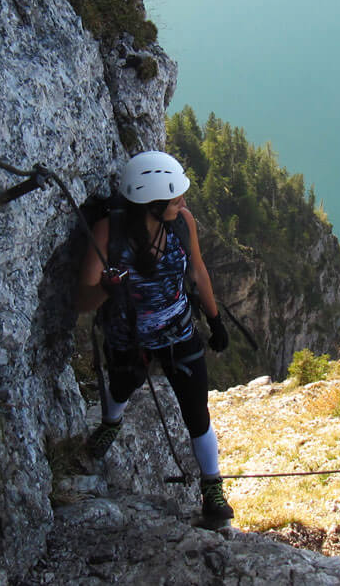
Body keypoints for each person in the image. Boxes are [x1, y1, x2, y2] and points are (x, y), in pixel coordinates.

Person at [76, 150, 234, 522]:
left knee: (197, 412)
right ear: (150, 204)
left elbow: (198, 272)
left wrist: (215, 321)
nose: (182, 202)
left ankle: (212, 488)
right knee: (120, 389)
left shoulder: (182, 223)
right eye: (174, 197)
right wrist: (106, 289)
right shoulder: (107, 234)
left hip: (179, 332)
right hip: (128, 338)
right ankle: (111, 424)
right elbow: (82, 300)